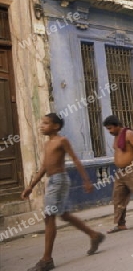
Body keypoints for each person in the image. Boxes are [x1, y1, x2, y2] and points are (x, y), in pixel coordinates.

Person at [21, 113, 105, 271]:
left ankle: (47, 260)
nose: (41, 126)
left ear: (56, 126)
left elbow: (75, 159)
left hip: (59, 180)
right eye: (42, 123)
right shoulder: (47, 144)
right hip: (52, 181)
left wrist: (86, 180)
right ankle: (94, 235)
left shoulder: (62, 141)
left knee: (49, 216)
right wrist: (31, 186)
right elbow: (44, 168)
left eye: (45, 123)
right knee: (64, 215)